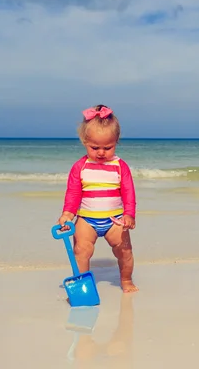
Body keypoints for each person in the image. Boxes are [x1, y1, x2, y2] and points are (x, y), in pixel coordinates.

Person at [58, 104, 138, 293]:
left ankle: (126, 280)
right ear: (84, 141)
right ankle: (83, 286)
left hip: (114, 220)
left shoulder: (120, 166)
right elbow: (73, 193)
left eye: (107, 147)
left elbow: (128, 192)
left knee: (124, 251)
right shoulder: (81, 167)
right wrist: (67, 214)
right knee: (81, 251)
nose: (101, 152)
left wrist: (129, 215)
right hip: (86, 219)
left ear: (116, 142)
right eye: (94, 147)